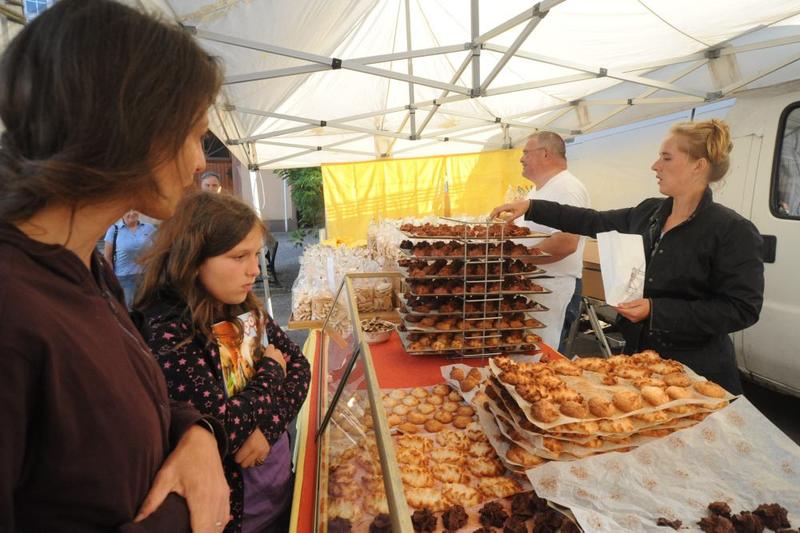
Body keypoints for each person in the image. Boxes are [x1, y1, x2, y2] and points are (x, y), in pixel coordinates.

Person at [0, 1, 232, 531]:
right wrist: (179, 519)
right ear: (136, 124)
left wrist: (195, 434)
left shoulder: (86, 270)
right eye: (195, 133)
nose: (201, 162)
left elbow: (123, 403)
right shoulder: (11, 308)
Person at [491, 119, 764, 394]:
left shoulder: (732, 230)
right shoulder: (650, 213)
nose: (655, 165)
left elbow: (742, 308)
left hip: (698, 376)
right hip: (641, 365)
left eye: (666, 158)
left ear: (698, 165)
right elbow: (592, 220)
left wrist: (656, 310)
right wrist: (530, 206)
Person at [135, 191, 311, 533]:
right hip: (236, 519)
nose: (254, 270)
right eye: (239, 256)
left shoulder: (242, 307)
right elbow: (223, 428)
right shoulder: (170, 331)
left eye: (256, 254)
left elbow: (301, 368)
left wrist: (267, 430)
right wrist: (272, 372)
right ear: (193, 258)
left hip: (279, 493)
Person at [515, 131, 590, 352]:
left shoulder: (567, 187)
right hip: (537, 287)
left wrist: (515, 260)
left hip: (554, 288)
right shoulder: (538, 190)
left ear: (545, 154)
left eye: (526, 153)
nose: (521, 159)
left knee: (546, 356)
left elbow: (566, 242)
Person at [103, 209, 157, 308]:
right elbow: (107, 258)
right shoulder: (113, 230)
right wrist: (110, 280)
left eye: (135, 210)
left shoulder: (149, 228)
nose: (132, 213)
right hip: (124, 279)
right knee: (128, 312)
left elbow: (158, 251)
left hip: (146, 277)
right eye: (128, 211)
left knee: (147, 309)